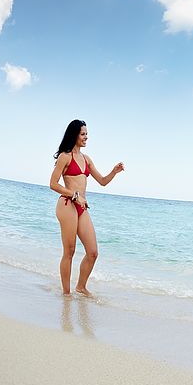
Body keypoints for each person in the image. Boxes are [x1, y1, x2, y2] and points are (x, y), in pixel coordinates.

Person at [49, 119, 124, 296]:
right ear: (74, 135)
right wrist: (74, 195)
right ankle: (66, 294)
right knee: (70, 251)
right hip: (67, 204)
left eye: (86, 134)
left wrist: (114, 171)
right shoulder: (65, 157)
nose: (86, 137)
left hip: (82, 208)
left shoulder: (86, 159)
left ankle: (81, 287)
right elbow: (53, 184)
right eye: (83, 134)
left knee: (92, 252)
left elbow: (103, 182)